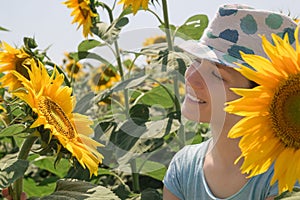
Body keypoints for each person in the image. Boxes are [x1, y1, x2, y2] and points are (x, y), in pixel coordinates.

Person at [163, 4, 300, 200]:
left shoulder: (284, 177)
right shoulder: (183, 167)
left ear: (261, 98)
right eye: (196, 61)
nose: (191, 77)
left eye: (217, 76)